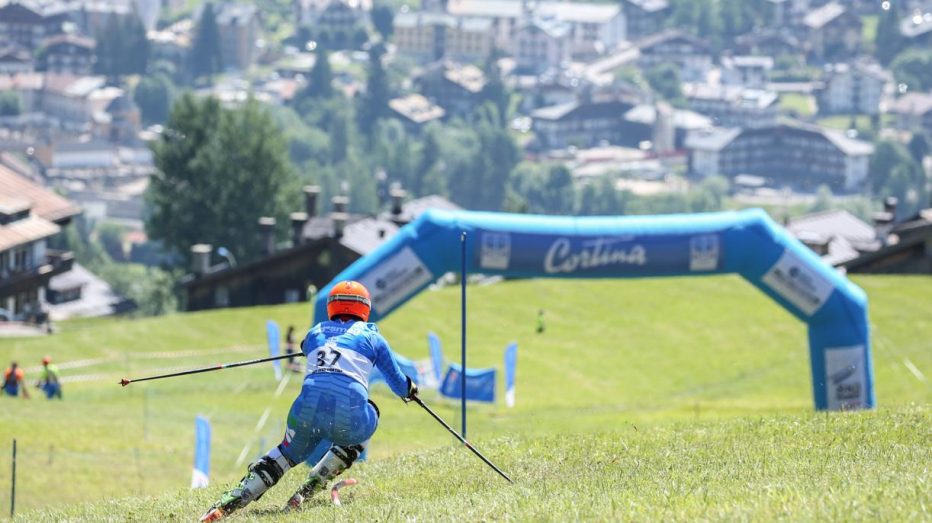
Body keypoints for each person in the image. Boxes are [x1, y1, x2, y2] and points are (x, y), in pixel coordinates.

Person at [200, 280, 418, 522]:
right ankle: (313, 485)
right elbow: (400, 385)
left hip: (305, 411)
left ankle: (229, 502)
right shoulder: (372, 337)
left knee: (285, 455)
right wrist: (411, 390)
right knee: (370, 414)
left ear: (331, 307)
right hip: (349, 416)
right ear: (365, 308)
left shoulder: (316, 332)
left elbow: (306, 347)